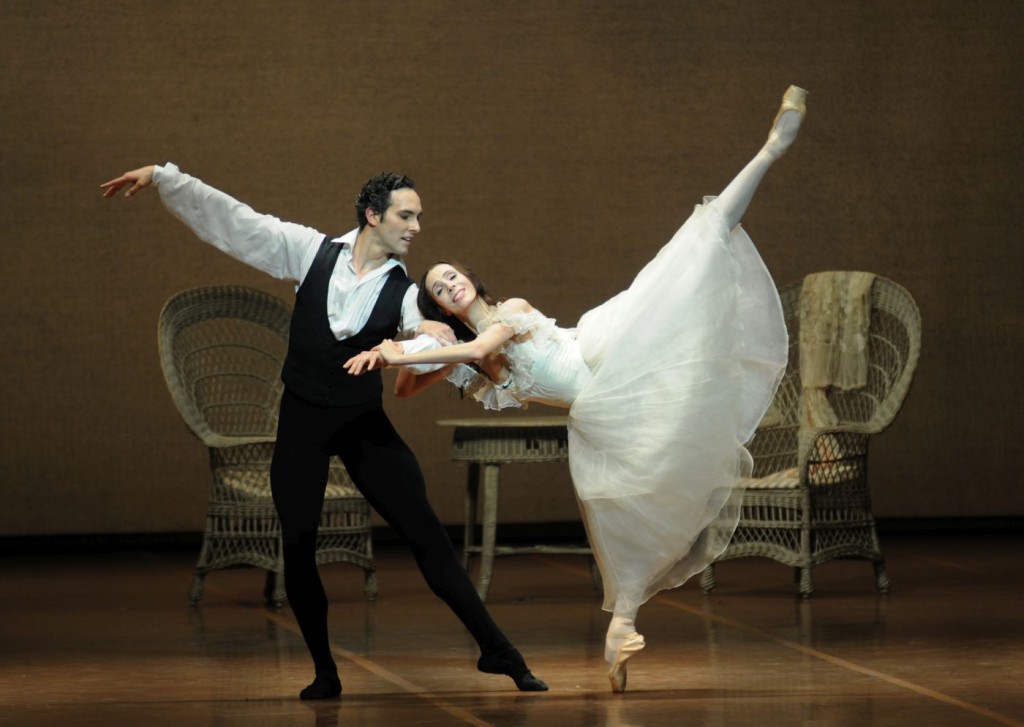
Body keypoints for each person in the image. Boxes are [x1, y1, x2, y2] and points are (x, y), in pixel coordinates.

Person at [344, 85, 806, 693]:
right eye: (437, 287)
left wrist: (398, 349)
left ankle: (771, 149)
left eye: (452, 275)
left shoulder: (509, 312)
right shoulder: (474, 367)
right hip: (598, 409)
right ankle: (621, 628)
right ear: (439, 305)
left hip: (609, 349)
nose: (448, 284)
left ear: (472, 282)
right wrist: (410, 341)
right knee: (627, 523)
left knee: (690, 253)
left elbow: (481, 347)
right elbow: (408, 389)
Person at [100, 165, 548, 698]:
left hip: (363, 427)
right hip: (303, 424)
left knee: (428, 538)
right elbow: (236, 221)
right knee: (299, 544)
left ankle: (499, 651)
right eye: (406, 216)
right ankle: (324, 673)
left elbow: (426, 341)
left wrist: (420, 338)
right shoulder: (309, 251)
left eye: (419, 217)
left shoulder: (405, 291)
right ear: (372, 216)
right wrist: (165, 177)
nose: (416, 227)